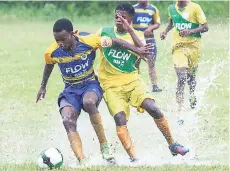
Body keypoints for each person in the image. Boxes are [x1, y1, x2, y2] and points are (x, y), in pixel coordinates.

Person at [36, 18, 151, 165]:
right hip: (70, 90)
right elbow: (49, 64)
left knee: (89, 102)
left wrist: (137, 50)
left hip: (90, 84)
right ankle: (82, 160)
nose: (60, 43)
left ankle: (104, 146)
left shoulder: (89, 41)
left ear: (72, 34)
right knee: (67, 120)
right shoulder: (52, 52)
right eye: (57, 40)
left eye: (63, 39)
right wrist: (43, 86)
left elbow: (116, 41)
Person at [96, 3, 189, 162]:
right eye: (117, 16)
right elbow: (101, 43)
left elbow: (148, 57)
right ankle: (134, 158)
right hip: (110, 86)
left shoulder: (137, 35)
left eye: (124, 18)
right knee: (120, 119)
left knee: (153, 108)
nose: (119, 20)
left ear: (131, 19)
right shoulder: (105, 31)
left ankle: (172, 144)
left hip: (133, 81)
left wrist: (130, 30)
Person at [160, 0, 209, 122]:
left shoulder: (195, 7)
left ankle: (192, 95)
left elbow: (205, 27)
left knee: (191, 79)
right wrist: (165, 31)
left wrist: (190, 31)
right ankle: (180, 111)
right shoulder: (171, 8)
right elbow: (172, 22)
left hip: (193, 48)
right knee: (181, 76)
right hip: (178, 47)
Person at [133, 0, 162, 92]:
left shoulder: (153, 9)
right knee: (135, 62)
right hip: (136, 40)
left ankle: (154, 85)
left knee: (151, 61)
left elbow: (157, 23)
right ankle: (136, 84)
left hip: (149, 39)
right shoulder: (133, 9)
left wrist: (150, 28)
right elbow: (128, 23)